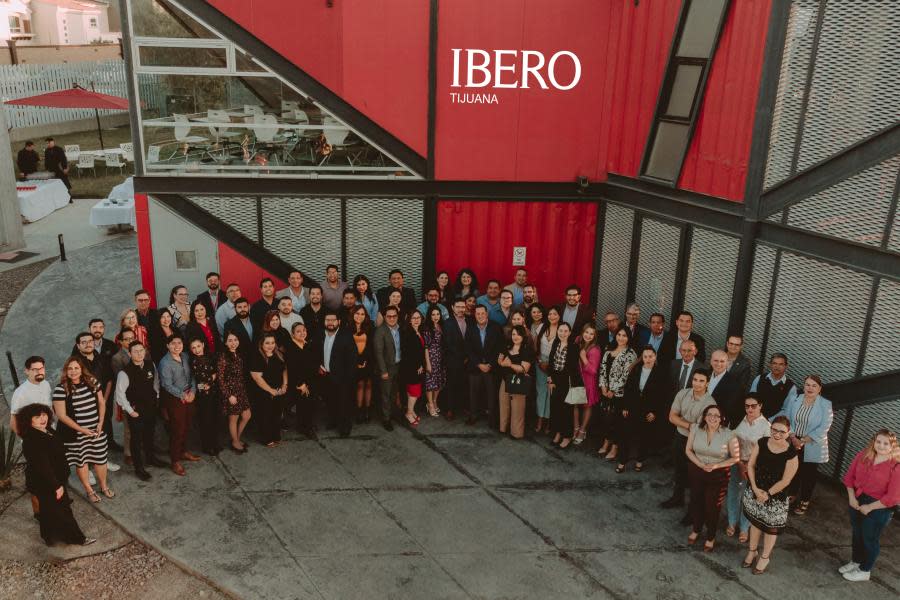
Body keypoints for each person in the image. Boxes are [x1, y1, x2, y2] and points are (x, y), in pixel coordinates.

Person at [18, 403, 95, 546]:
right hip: (47, 482)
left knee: (48, 509)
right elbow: (43, 466)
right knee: (64, 510)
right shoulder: (31, 440)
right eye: (37, 417)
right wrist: (57, 486)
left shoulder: (47, 430)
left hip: (55, 479)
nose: (42, 418)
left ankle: (48, 537)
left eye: (44, 414)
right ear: (29, 420)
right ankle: (78, 538)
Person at [840, 429, 900, 582]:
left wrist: (870, 507)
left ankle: (865, 570)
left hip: (879, 507)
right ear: (873, 441)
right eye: (878, 441)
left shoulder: (896, 466)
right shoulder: (863, 455)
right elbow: (849, 478)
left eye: (886, 443)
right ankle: (856, 562)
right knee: (857, 534)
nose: (881, 445)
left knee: (869, 539)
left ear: (893, 446)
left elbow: (892, 497)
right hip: (858, 499)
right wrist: (852, 498)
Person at [742, 416, 799, 575]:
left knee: (769, 529)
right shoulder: (762, 442)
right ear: (771, 429)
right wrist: (754, 488)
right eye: (774, 429)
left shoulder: (791, 454)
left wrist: (767, 494)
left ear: (788, 433)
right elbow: (751, 465)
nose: (777, 434)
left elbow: (786, 480)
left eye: (782, 431)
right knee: (755, 522)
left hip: (775, 497)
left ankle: (765, 557)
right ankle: (752, 551)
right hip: (755, 490)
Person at [52, 357, 112, 502]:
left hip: (96, 431)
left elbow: (101, 403)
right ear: (66, 371)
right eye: (70, 369)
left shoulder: (92, 382)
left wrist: (100, 424)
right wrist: (82, 430)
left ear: (81, 369)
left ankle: (104, 486)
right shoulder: (61, 389)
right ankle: (89, 490)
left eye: (76, 368)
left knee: (100, 459)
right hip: (75, 435)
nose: (73, 371)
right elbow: (61, 415)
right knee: (82, 461)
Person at [773, 374, 833, 515]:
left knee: (808, 474)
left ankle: (805, 500)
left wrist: (803, 440)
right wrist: (793, 437)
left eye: (814, 385)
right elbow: (787, 419)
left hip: (812, 443)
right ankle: (792, 494)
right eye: (807, 384)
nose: (810, 388)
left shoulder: (825, 404)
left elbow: (825, 427)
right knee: (792, 470)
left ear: (819, 389)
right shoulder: (796, 399)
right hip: (793, 440)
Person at [684, 405, 740, 552]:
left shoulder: (729, 434)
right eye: (710, 414)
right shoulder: (695, 429)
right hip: (697, 470)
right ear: (704, 416)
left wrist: (715, 466)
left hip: (718, 474)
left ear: (721, 418)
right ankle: (696, 529)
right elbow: (688, 450)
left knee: (712, 507)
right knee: (696, 502)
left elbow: (735, 458)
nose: (713, 418)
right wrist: (700, 464)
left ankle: (710, 536)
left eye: (716, 415)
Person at [661, 370, 716, 511]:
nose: (697, 383)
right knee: (678, 471)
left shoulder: (710, 403)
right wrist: (690, 425)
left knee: (694, 477)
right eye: (695, 380)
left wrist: (682, 421)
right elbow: (672, 417)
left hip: (697, 442)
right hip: (679, 438)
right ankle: (677, 498)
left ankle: (693, 510)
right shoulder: (683, 393)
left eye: (701, 381)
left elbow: (700, 429)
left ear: (707, 383)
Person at [114, 341, 167, 481]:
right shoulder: (124, 373)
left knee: (150, 434)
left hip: (150, 407)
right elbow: (120, 395)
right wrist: (131, 411)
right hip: (136, 411)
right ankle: (139, 468)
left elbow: (155, 382)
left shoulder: (150, 365)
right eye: (135, 351)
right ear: (130, 354)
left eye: (141, 350)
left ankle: (150, 458)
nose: (139, 353)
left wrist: (156, 397)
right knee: (136, 440)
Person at [725, 394, 771, 543]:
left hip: (754, 466)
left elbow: (766, 453)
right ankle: (732, 522)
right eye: (747, 406)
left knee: (749, 496)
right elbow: (731, 440)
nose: (750, 409)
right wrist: (738, 463)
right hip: (736, 461)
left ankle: (745, 527)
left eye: (753, 406)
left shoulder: (766, 427)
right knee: (733, 492)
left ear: (760, 406)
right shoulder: (740, 419)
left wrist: (748, 466)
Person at [71, 330, 120, 464]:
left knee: (102, 427)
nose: (88, 344)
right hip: (85, 404)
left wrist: (104, 399)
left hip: (102, 399)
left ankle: (102, 457)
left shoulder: (100, 358)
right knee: (87, 435)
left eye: (90, 341)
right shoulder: (75, 363)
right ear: (78, 345)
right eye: (84, 342)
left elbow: (109, 379)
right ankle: (89, 465)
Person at [619, 346, 668, 472]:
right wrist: (625, 406)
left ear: (655, 357)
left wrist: (655, 412)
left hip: (648, 410)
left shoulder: (661, 373)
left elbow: (662, 396)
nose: (648, 359)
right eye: (645, 356)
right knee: (626, 435)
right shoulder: (636, 369)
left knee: (644, 437)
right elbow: (628, 389)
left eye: (650, 356)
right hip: (633, 407)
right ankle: (622, 461)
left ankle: (640, 460)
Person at [158, 334, 198, 476]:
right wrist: (183, 395)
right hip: (175, 399)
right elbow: (166, 385)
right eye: (173, 343)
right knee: (177, 430)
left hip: (189, 396)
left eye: (179, 343)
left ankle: (183, 452)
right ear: (168, 346)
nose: (177, 346)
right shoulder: (165, 363)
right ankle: (175, 460)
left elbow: (193, 375)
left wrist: (193, 391)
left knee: (187, 425)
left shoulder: (186, 356)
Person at [598, 326, 637, 461]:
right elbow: (602, 370)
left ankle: (615, 448)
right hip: (606, 392)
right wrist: (603, 387)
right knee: (606, 420)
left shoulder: (630, 353)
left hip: (620, 394)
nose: (621, 338)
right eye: (619, 335)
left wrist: (613, 390)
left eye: (624, 335)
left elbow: (626, 375)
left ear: (628, 338)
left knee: (617, 422)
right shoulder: (608, 351)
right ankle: (606, 442)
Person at [318, 310, 357, 437]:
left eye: (333, 320)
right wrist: (318, 366)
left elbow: (352, 358)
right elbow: (314, 353)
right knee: (330, 401)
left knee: (343, 403)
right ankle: (333, 421)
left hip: (342, 377)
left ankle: (345, 427)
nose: (330, 323)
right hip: (325, 376)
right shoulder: (319, 334)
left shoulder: (346, 335)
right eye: (327, 320)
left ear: (338, 322)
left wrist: (348, 378)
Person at [464, 305, 504, 426]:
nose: (480, 316)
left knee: (492, 393)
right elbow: (468, 348)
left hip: (491, 366)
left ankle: (492, 418)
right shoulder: (470, 328)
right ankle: (473, 415)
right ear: (474, 315)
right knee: (473, 393)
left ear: (487, 314)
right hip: (475, 366)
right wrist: (478, 364)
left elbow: (500, 347)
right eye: (478, 314)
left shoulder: (496, 327)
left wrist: (490, 364)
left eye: (482, 313)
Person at [250, 333, 288, 447]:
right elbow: (257, 377)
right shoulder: (257, 357)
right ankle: (266, 439)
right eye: (267, 343)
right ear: (261, 344)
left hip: (279, 390)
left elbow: (284, 370)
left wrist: (285, 385)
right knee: (266, 416)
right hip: (264, 392)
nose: (270, 345)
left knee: (277, 414)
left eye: (272, 343)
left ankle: (276, 435)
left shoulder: (279, 354)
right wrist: (271, 391)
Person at [497, 325, 534, 439]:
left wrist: (510, 365)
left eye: (518, 334)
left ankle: (516, 433)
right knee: (504, 405)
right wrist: (502, 363)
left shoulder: (527, 350)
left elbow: (524, 369)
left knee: (517, 409)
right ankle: (503, 429)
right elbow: (499, 359)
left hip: (519, 382)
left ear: (523, 336)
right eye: (513, 334)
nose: (515, 337)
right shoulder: (507, 346)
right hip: (505, 380)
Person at [547, 322, 580, 449]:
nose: (563, 333)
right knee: (555, 408)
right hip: (554, 380)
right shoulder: (556, 343)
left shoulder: (573, 347)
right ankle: (558, 433)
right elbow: (551, 363)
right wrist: (550, 380)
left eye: (566, 331)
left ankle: (567, 436)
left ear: (570, 333)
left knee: (566, 410)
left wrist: (561, 381)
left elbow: (572, 368)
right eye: (560, 330)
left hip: (567, 381)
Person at [217, 332, 252, 453]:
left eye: (235, 339)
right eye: (230, 340)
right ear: (225, 343)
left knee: (247, 415)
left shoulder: (239, 354)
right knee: (234, 419)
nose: (233, 343)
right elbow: (220, 379)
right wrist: (228, 395)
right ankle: (235, 442)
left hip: (241, 390)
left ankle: (236, 438)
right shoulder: (223, 357)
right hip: (231, 392)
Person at [188, 337, 221, 456]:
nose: (196, 350)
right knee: (206, 421)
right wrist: (211, 380)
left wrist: (211, 380)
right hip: (203, 397)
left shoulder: (209, 357)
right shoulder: (194, 362)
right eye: (193, 348)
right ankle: (207, 446)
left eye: (198, 346)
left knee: (214, 419)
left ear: (202, 344)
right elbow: (199, 384)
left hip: (214, 394)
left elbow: (216, 374)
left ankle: (214, 443)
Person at [285, 323, 317, 438]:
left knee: (309, 403)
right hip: (299, 382)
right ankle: (305, 428)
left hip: (309, 380)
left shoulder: (306, 345)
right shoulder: (291, 347)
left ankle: (306, 424)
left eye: (304, 330)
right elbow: (292, 368)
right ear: (293, 334)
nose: (302, 333)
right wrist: (301, 384)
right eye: (298, 331)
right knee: (303, 404)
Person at [373, 306, 402, 431]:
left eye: (394, 316)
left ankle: (392, 414)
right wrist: (383, 371)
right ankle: (386, 419)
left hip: (398, 366)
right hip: (387, 368)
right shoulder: (380, 331)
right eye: (389, 316)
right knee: (385, 394)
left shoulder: (400, 329)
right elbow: (378, 353)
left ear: (397, 316)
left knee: (394, 393)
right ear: (385, 317)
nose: (392, 318)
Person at [442, 298, 471, 421]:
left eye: (463, 307)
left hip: (468, 359)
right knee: (451, 385)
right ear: (453, 307)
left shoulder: (470, 320)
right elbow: (448, 343)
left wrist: (467, 357)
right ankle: (450, 409)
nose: (461, 309)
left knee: (465, 384)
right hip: (453, 359)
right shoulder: (448, 323)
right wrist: (461, 357)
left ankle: (463, 406)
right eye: (458, 307)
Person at [10, 356, 53, 436]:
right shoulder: (20, 392)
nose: (39, 372)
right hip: (33, 438)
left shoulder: (46, 384)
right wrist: (26, 440)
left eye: (41, 368)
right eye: (35, 370)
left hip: (49, 433)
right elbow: (13, 422)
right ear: (27, 371)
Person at [534, 305, 559, 434]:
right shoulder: (541, 327)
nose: (552, 316)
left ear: (559, 316)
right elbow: (535, 346)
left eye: (555, 314)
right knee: (541, 392)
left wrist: (550, 365)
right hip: (539, 363)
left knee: (551, 393)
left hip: (554, 365)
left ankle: (549, 422)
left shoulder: (562, 330)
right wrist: (539, 362)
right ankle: (539, 419)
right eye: (550, 314)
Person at [575, 323, 602, 446]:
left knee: (587, 406)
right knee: (574, 404)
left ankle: (582, 430)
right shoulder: (578, 342)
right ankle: (576, 427)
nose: (588, 335)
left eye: (591, 333)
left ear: (595, 336)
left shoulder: (595, 349)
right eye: (586, 332)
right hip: (576, 378)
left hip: (588, 381)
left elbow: (593, 370)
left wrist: (583, 357)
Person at [400, 310, 426, 426]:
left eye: (418, 318)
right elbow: (408, 353)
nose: (416, 320)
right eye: (414, 318)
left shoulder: (418, 331)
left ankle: (411, 410)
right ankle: (409, 413)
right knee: (415, 392)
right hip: (412, 368)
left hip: (416, 366)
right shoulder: (408, 333)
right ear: (409, 320)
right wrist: (418, 365)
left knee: (412, 391)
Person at [749, 353, 794, 418]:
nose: (777, 367)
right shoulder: (759, 378)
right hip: (754, 417)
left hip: (773, 423)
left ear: (786, 366)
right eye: (774, 363)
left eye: (781, 364)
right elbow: (751, 399)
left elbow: (786, 410)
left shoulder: (791, 387)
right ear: (770, 365)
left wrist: (769, 420)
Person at [349, 306, 374, 423]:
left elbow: (371, 346)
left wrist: (365, 360)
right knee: (359, 385)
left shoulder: (370, 327)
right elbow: (347, 347)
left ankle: (367, 411)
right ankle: (359, 411)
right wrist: (357, 361)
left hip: (368, 361)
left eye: (362, 314)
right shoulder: (347, 328)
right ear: (353, 314)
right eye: (357, 313)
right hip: (354, 362)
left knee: (368, 385)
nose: (360, 316)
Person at [423, 306, 447, 418]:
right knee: (430, 382)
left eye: (438, 314)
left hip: (441, 357)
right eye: (433, 314)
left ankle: (435, 400)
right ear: (429, 316)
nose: (436, 317)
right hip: (431, 357)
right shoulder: (427, 328)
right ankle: (430, 404)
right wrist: (428, 363)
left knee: (439, 381)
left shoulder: (441, 326)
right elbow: (426, 347)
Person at [707, 349, 742, 427]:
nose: (719, 364)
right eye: (716, 360)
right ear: (711, 361)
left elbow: (728, 410)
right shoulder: (704, 375)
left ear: (727, 363)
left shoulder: (734, 384)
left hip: (716, 423)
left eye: (722, 361)